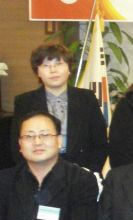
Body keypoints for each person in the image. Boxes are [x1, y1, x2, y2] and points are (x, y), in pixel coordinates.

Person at [12, 43, 108, 173]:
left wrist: (89, 173)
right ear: (37, 71)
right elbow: (17, 144)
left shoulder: (87, 98)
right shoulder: (25, 102)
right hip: (38, 170)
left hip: (81, 169)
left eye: (59, 64)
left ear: (69, 68)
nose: (53, 70)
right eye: (46, 65)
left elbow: (100, 142)